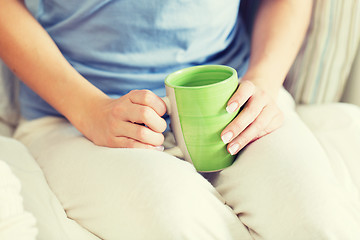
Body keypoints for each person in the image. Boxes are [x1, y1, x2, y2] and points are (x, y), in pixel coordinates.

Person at [1, 0, 360, 239]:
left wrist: (264, 81)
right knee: (173, 222)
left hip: (234, 96)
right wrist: (88, 110)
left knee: (317, 223)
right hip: (75, 114)